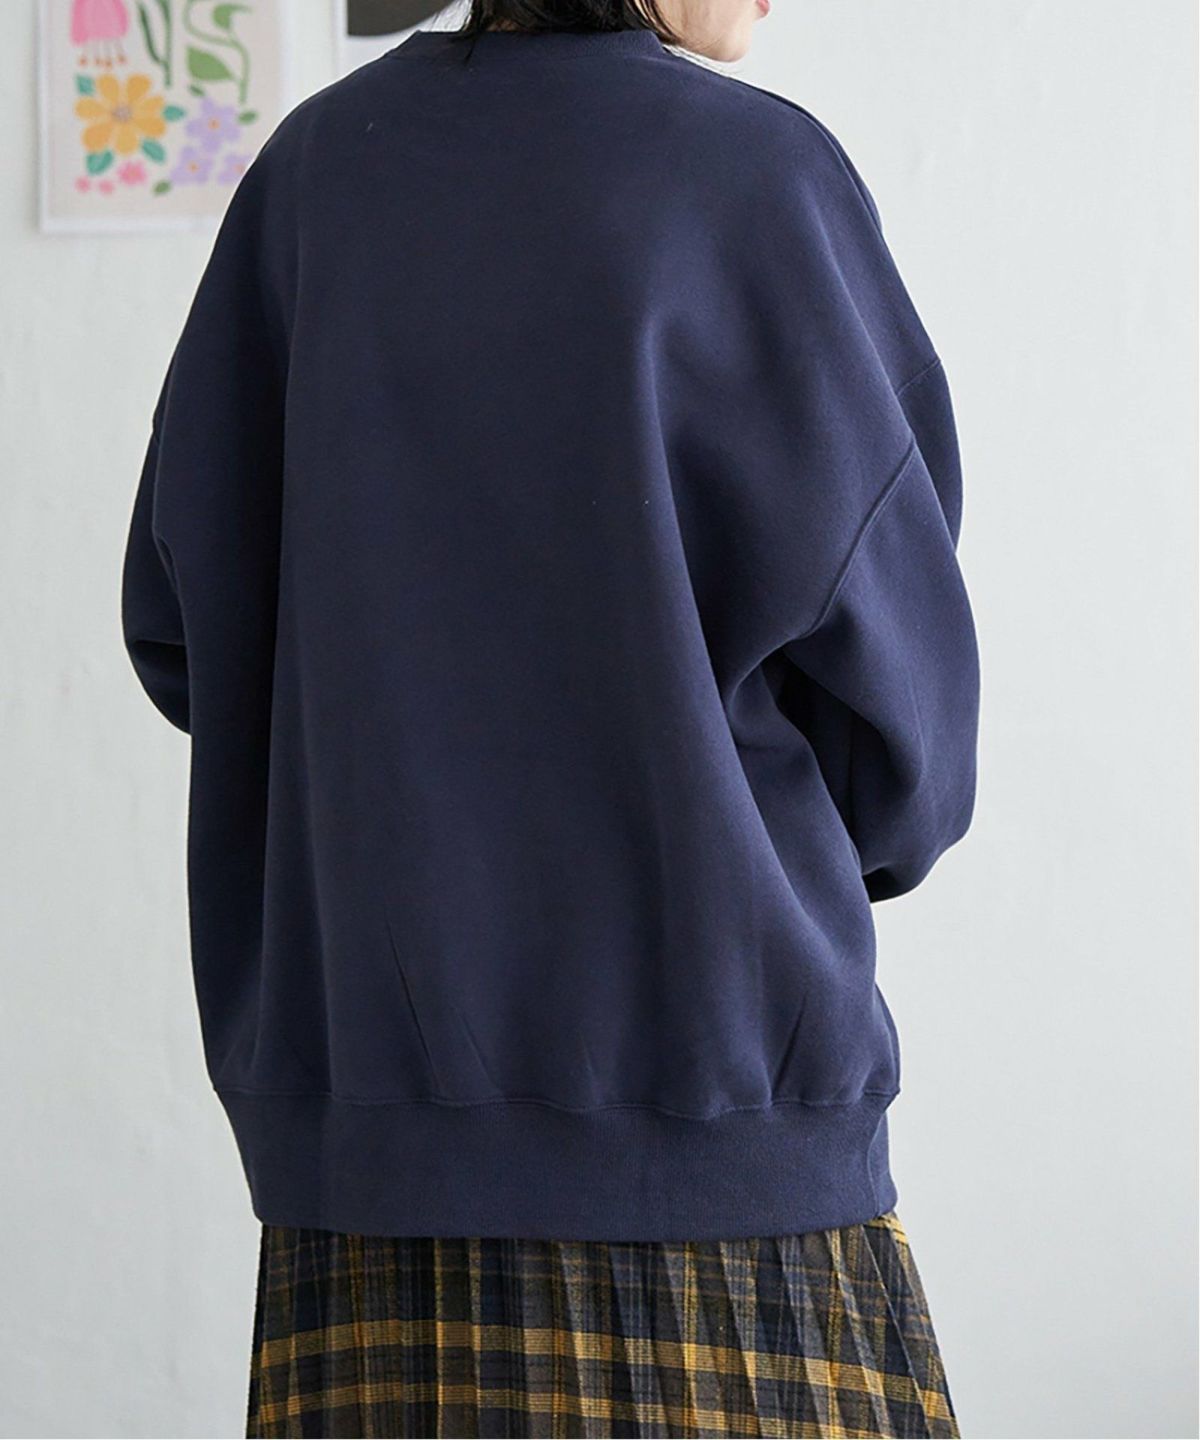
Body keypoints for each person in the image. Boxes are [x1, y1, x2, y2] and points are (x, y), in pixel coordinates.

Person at [120, 0, 980, 1434]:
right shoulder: (755, 177)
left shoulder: (314, 178)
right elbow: (908, 748)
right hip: (725, 1189)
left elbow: (184, 638)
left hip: (368, 1218)